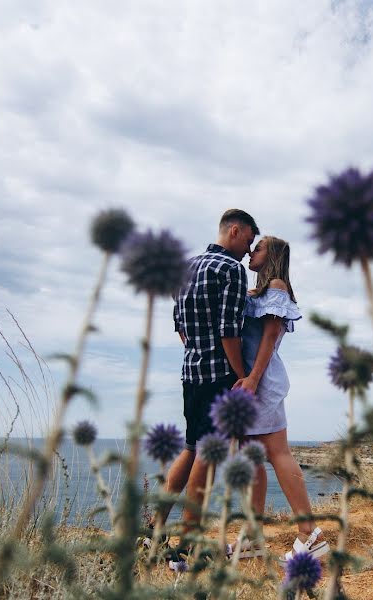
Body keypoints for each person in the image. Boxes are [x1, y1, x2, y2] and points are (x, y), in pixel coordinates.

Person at [159, 209, 259, 534]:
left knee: (190, 449)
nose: (248, 250)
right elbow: (228, 332)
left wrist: (197, 351)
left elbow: (181, 328)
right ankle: (188, 539)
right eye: (248, 240)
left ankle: (157, 526)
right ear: (234, 230)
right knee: (208, 452)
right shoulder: (231, 269)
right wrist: (242, 375)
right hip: (220, 378)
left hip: (191, 373)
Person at [233, 235, 329, 561]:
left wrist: (253, 380)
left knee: (277, 453)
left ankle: (309, 532)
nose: (251, 251)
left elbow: (271, 336)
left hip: (260, 382)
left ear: (271, 254)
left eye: (257, 247)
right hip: (251, 383)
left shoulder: (276, 286)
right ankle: (252, 535)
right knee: (251, 458)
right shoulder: (257, 292)